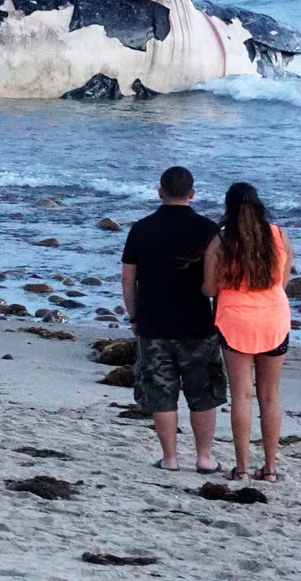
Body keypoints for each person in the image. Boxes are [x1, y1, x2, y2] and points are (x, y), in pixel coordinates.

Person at [122, 166, 225, 473]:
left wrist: (134, 315)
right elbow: (219, 281)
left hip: (154, 322)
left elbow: (128, 279)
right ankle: (204, 457)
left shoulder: (142, 228)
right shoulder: (208, 230)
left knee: (161, 392)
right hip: (197, 322)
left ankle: (170, 458)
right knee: (203, 393)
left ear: (159, 192)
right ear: (192, 194)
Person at [203, 183, 291, 483]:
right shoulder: (278, 235)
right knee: (270, 395)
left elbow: (210, 288)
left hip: (235, 321)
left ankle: (240, 469)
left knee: (241, 394)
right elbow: (283, 280)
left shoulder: (222, 241)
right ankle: (269, 469)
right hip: (274, 320)